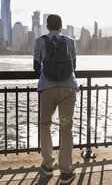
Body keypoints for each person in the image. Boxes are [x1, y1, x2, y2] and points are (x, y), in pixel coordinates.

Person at [33, 14, 78, 184]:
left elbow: (36, 67)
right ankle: (66, 171)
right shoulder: (70, 41)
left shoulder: (40, 41)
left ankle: (48, 164)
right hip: (67, 89)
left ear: (47, 26)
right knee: (65, 127)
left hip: (47, 89)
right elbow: (74, 65)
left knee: (45, 124)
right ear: (61, 27)